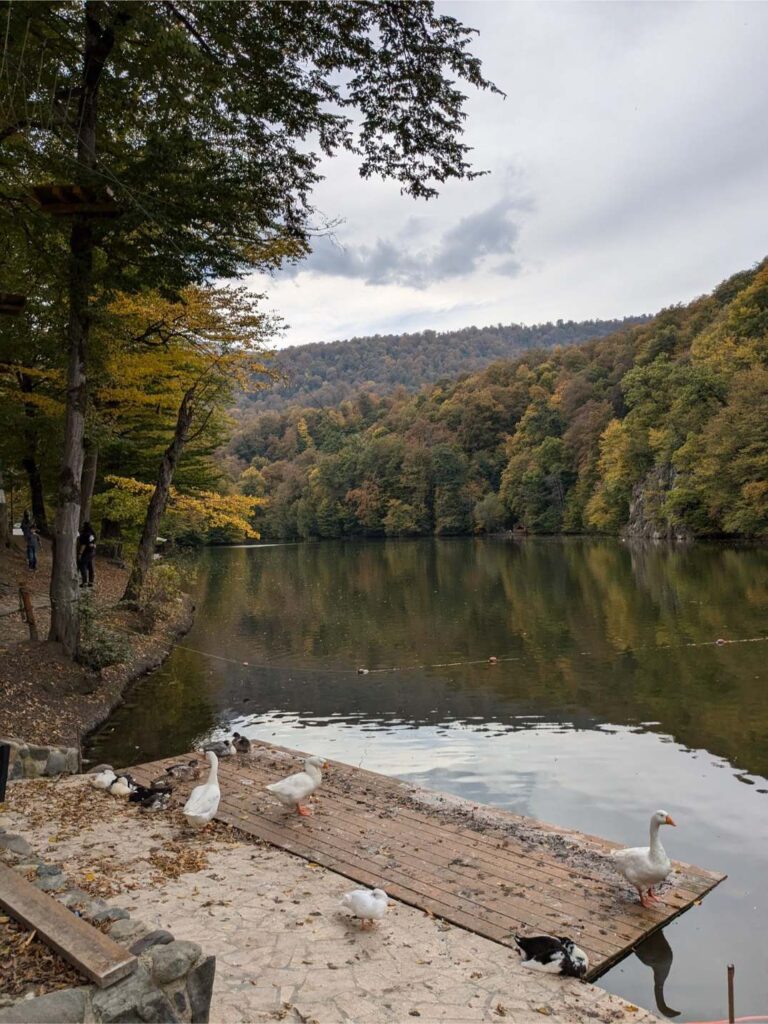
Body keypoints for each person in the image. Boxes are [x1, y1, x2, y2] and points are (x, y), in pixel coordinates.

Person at [77, 521, 97, 588]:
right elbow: (94, 544)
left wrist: (80, 553)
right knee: (90, 566)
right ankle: (91, 581)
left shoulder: (85, 534)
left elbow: (84, 545)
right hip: (92, 552)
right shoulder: (92, 534)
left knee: (83, 565)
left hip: (85, 552)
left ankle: (84, 582)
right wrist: (93, 546)